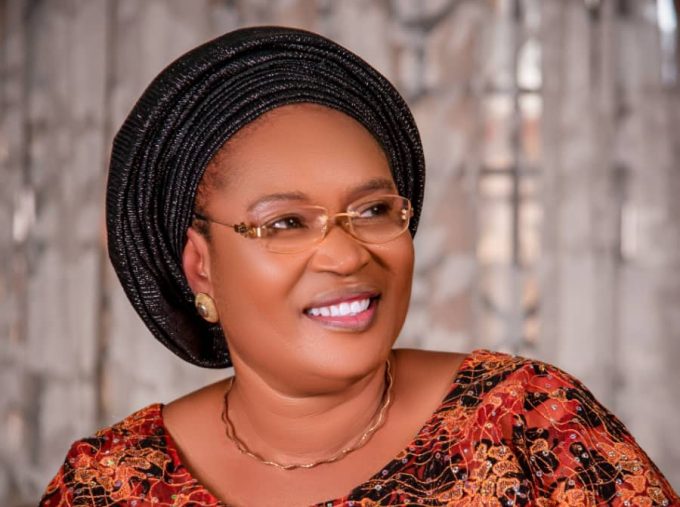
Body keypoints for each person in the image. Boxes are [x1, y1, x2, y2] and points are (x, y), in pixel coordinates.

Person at [39, 26, 678, 507]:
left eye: (372, 210)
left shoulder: (533, 426)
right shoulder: (109, 483)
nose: (348, 255)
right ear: (201, 268)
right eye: (286, 223)